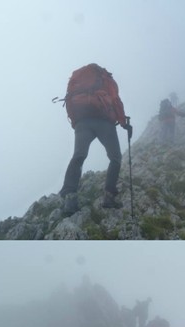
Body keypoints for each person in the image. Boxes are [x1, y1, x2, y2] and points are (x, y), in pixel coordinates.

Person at [59, 63, 132, 216]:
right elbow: (115, 100)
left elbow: (70, 100)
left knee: (79, 156)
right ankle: (109, 197)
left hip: (82, 122)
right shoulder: (107, 80)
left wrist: (77, 123)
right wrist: (124, 123)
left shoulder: (78, 82)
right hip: (104, 122)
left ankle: (70, 198)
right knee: (115, 158)